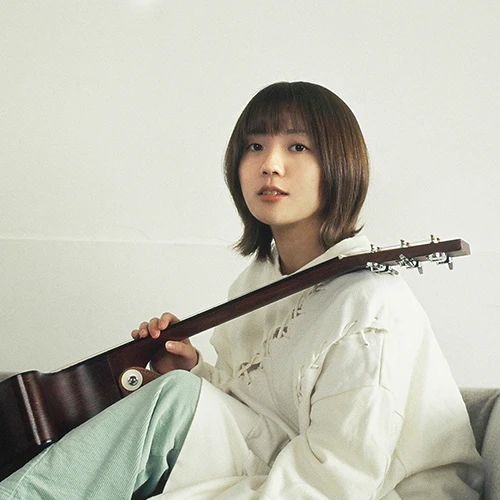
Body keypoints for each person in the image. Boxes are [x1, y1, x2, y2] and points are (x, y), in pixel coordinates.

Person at [0, 81, 484, 499]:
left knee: (173, 401)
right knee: (175, 393)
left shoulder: (370, 304)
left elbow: (341, 478)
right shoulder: (254, 283)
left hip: (376, 492)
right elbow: (254, 416)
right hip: (283, 468)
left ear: (340, 164)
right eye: (254, 146)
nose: (270, 164)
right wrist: (193, 372)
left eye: (298, 147)